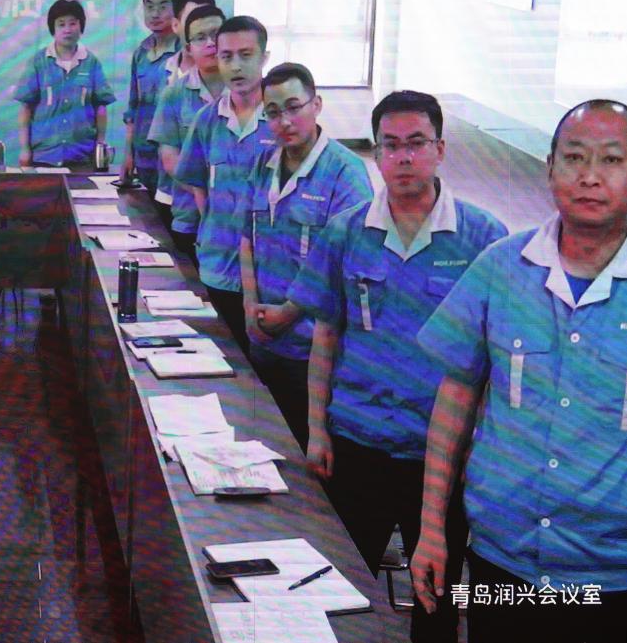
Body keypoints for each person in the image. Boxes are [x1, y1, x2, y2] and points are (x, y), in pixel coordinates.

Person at [287, 90, 508, 643]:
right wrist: (316, 429)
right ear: (376, 153)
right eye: (390, 145)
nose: (403, 157)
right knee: (336, 590)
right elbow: (326, 335)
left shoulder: (484, 239)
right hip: (355, 442)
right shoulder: (346, 230)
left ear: (440, 149)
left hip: (440, 458)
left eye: (416, 143)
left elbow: (495, 361)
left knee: (436, 600)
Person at [412, 99, 627, 643]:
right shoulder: (501, 268)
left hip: (611, 579)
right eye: (574, 157)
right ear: (549, 167)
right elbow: (455, 400)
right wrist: (432, 527)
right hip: (500, 563)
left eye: (612, 160)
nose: (590, 176)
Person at [238, 62, 373, 452]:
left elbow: (343, 267)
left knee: (304, 459)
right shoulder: (262, 164)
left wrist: (287, 313)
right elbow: (247, 237)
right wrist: (250, 304)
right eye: (273, 112)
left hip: (313, 350)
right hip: (263, 336)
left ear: (317, 104)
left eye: (294, 107)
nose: (284, 121)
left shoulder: (346, 174)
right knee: (261, 445)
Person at [174, 15, 278, 355]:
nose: (235, 66)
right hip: (217, 268)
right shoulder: (207, 120)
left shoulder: (280, 122)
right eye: (226, 56)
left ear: (264, 57)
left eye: (246, 55)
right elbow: (197, 184)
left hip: (268, 276)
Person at [148, 4, 226, 261]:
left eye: (216, 35)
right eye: (200, 37)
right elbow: (170, 159)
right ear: (188, 48)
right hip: (190, 216)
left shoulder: (245, 92)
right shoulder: (174, 94)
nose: (210, 43)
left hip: (239, 221)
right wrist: (205, 196)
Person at [12, 0, 116, 168]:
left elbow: (101, 107)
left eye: (72, 23)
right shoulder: (38, 62)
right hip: (44, 155)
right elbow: (26, 108)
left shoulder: (91, 62)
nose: (67, 29)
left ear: (81, 27)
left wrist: (100, 145)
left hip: (82, 155)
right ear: (53, 29)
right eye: (61, 24)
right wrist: (25, 149)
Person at [119, 0, 182, 193]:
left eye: (163, 6)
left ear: (176, 10)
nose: (155, 14)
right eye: (149, 6)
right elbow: (133, 108)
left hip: (174, 157)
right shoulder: (141, 53)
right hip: (143, 156)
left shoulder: (184, 52)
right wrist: (128, 154)